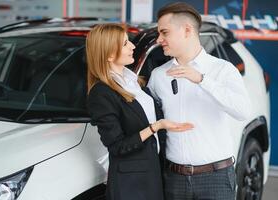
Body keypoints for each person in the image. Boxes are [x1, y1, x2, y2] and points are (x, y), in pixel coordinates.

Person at [147, 2, 252, 200]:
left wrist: (202, 80)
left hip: (216, 178)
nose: (159, 39)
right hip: (174, 179)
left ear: (187, 30)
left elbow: (242, 111)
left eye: (164, 32)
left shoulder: (223, 70)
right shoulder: (158, 75)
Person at [86, 23, 193, 200]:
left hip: (152, 174)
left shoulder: (134, 82)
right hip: (131, 184)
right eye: (125, 43)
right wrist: (155, 127)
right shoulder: (101, 93)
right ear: (110, 54)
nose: (132, 46)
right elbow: (117, 147)